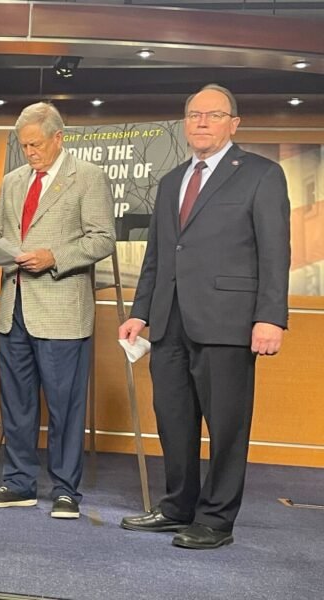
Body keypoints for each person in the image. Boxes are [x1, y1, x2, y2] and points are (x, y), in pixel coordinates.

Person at [119, 84, 290, 549]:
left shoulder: (261, 174)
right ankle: (177, 507)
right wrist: (140, 312)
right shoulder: (172, 179)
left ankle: (216, 520)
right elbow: (158, 252)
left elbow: (275, 253)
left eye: (213, 115)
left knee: (227, 425)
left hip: (230, 321)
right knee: (173, 419)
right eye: (193, 114)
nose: (201, 122)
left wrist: (271, 317)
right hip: (169, 321)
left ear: (234, 123)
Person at [0, 102, 115, 519]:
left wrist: (54, 256)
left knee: (65, 404)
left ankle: (67, 490)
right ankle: (19, 483)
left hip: (61, 311)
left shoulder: (88, 178)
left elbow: (103, 239)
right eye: (24, 145)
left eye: (36, 144)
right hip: (12, 309)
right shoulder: (14, 181)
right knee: (16, 403)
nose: (30, 152)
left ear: (58, 138)